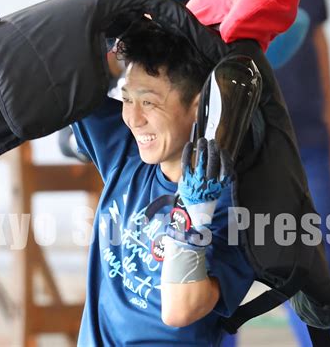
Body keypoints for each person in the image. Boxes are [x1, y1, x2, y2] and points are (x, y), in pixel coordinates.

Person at [71, 18, 255, 346]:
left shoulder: (233, 206)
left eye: (149, 103)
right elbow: (62, 78)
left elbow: (179, 310)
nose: (133, 118)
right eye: (127, 99)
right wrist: (104, 29)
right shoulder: (124, 152)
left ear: (200, 107)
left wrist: (195, 209)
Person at [213, 0, 330, 346]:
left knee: (317, 256)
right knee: (224, 255)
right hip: (239, 132)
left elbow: (316, 35)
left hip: (306, 131)